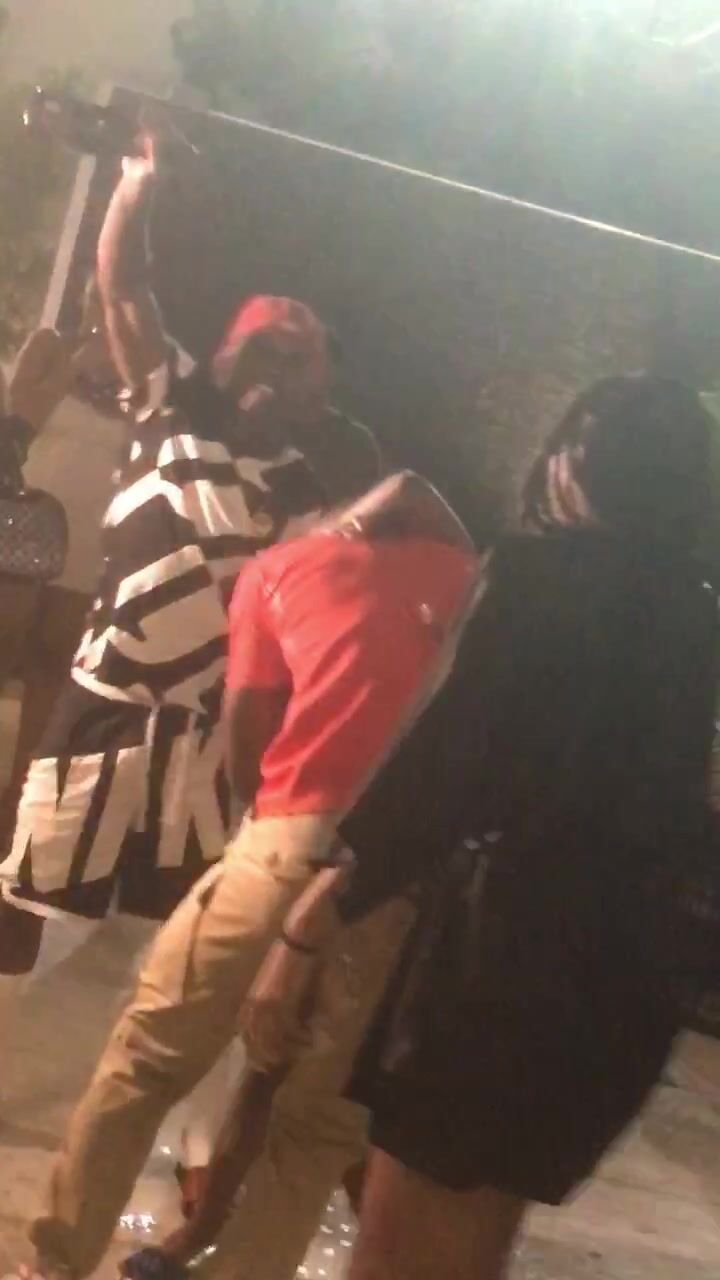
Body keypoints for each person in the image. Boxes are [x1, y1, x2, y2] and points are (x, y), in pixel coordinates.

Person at [0, 122, 379, 1195]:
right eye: (260, 346)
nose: (273, 368)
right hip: (105, 712)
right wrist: (135, 185)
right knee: (23, 916)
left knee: (188, 948)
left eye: (297, 357)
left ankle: (183, 1151)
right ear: (221, 353)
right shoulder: (171, 401)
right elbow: (123, 287)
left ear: (322, 385)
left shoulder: (323, 482)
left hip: (214, 739)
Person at [6, 471, 478, 1280]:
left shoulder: (281, 569)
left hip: (288, 843)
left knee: (145, 1063)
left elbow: (247, 741)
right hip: (403, 885)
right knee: (314, 1133)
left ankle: (55, 1263)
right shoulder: (469, 585)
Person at [329, 373, 719, 1280]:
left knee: (391, 1250)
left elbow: (454, 756)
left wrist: (333, 898)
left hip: (493, 955)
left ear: (584, 464)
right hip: (613, 982)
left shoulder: (541, 576)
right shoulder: (699, 621)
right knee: (476, 1245)